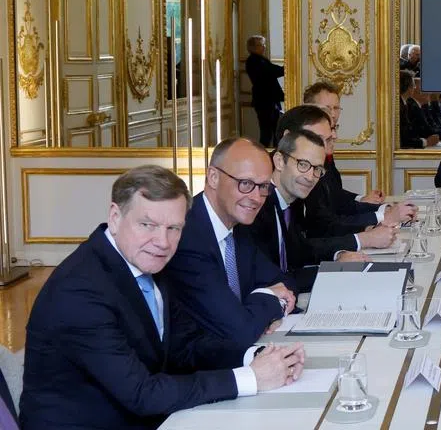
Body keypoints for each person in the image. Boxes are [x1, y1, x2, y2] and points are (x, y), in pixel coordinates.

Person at [21, 166, 305, 429]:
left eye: (174, 228)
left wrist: (255, 357)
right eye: (147, 225)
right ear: (115, 217)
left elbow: (186, 348)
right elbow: (142, 393)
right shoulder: (80, 290)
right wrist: (250, 378)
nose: (162, 242)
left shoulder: (143, 262)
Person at [163, 138, 297, 346]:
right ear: (213, 177)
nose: (256, 198)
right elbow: (239, 330)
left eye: (263, 187)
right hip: (195, 370)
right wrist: (271, 298)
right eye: (245, 184)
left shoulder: (239, 225)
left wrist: (261, 304)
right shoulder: (187, 234)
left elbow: (284, 281)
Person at [249, 130, 371, 293]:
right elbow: (273, 280)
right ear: (279, 161)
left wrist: (338, 257)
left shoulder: (290, 201)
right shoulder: (256, 208)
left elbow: (300, 251)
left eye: (317, 169)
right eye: (303, 165)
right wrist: (335, 270)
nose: (310, 177)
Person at [277, 104, 414, 239]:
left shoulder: (312, 170)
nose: (310, 176)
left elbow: (336, 201)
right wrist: (367, 236)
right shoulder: (267, 195)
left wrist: (374, 223)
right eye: (317, 139)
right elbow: (320, 227)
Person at [244, 35, 284, 148]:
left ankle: (275, 151)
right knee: (267, 132)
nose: (264, 47)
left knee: (275, 130)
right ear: (254, 47)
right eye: (262, 45)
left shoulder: (260, 60)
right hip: (265, 101)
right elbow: (272, 71)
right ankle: (264, 154)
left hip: (269, 100)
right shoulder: (254, 61)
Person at [399, 71, 440, 148]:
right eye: (413, 85)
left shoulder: (404, 104)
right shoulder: (402, 106)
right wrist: (425, 142)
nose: (414, 88)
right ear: (408, 87)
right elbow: (404, 140)